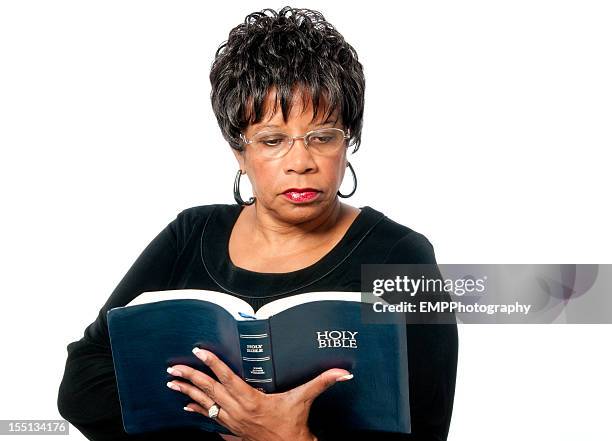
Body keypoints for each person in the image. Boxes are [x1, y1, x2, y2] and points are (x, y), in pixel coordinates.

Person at [57, 6, 458, 441]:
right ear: (239, 152)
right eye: (272, 140)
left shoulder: (403, 257)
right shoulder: (190, 235)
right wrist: (228, 420)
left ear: (349, 141)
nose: (301, 163)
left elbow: (428, 431)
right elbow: (82, 382)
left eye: (323, 137)